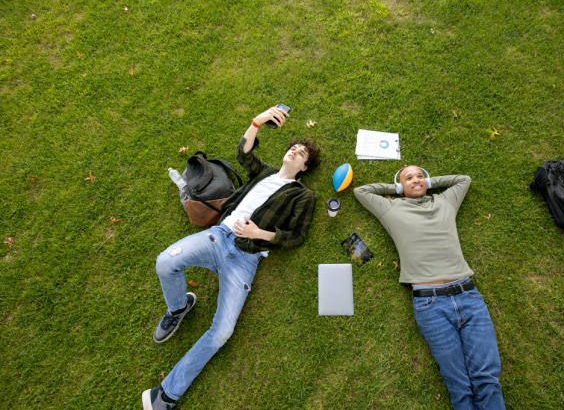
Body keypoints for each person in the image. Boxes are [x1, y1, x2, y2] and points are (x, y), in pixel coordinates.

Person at [142, 107, 321, 410]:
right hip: (217, 237)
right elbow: (244, 155)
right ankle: (180, 306)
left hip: (245, 259)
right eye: (292, 147)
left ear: (305, 166)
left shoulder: (303, 196)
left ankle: (166, 394)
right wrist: (257, 121)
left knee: (223, 332)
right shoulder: (264, 173)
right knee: (165, 262)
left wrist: (260, 233)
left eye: (301, 152)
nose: (294, 151)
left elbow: (297, 237)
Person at [354, 166, 506, 410]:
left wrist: (428, 183)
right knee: (459, 386)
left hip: (468, 294)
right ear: (399, 186)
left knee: (487, 380)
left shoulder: (446, 201)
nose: (416, 179)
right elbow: (362, 191)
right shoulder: (391, 207)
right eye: (409, 177)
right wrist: (396, 189)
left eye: (420, 176)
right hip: (430, 304)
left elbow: (463, 178)